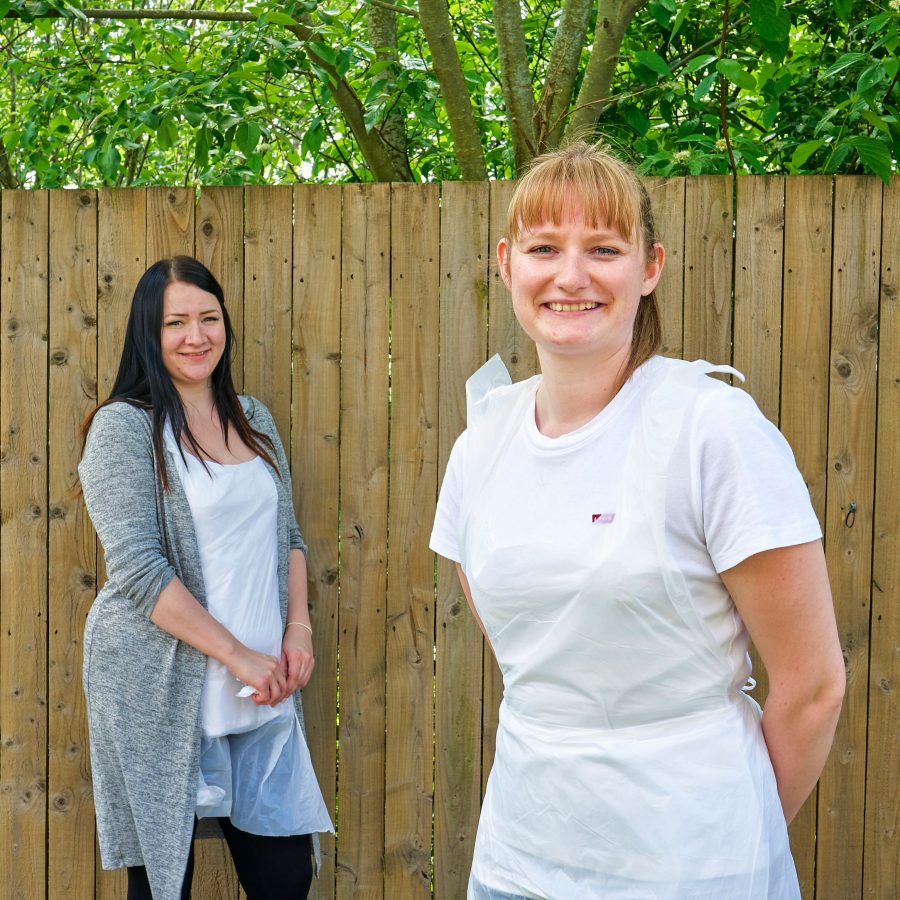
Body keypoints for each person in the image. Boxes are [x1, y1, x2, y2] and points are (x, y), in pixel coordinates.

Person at [430, 143, 846, 899]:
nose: (571, 275)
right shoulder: (479, 447)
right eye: (544, 248)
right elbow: (529, 661)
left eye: (604, 249)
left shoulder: (711, 431)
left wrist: (731, 831)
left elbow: (814, 687)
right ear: (505, 263)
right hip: (517, 868)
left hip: (694, 869)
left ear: (649, 268)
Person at [79, 256, 332, 900]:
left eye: (209, 318)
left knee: (284, 878)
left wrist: (295, 633)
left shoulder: (253, 417)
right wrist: (237, 655)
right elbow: (138, 570)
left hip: (260, 685)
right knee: (164, 880)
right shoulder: (124, 427)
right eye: (176, 323)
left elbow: (289, 539)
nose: (197, 336)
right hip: (160, 685)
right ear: (149, 334)